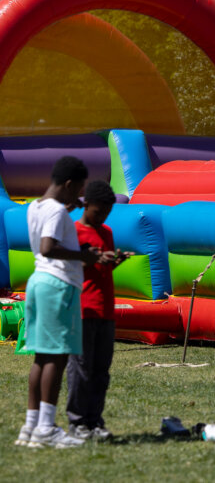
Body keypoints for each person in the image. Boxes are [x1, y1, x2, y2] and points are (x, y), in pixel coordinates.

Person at [18, 156, 105, 449]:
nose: (79, 195)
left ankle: (30, 428)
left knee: (41, 357)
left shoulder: (36, 206)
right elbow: (48, 247)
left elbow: (46, 235)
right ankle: (46, 428)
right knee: (57, 356)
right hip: (59, 285)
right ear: (69, 184)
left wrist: (69, 207)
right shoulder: (56, 211)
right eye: (78, 189)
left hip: (38, 283)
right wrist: (84, 256)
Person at [66, 180, 132, 441]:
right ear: (87, 205)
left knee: (101, 371)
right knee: (80, 368)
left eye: (107, 212)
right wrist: (91, 259)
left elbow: (101, 270)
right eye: (99, 211)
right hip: (82, 310)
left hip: (105, 309)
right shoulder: (73, 232)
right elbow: (68, 269)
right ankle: (77, 422)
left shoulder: (106, 231)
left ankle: (95, 421)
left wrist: (114, 261)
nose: (103, 216)